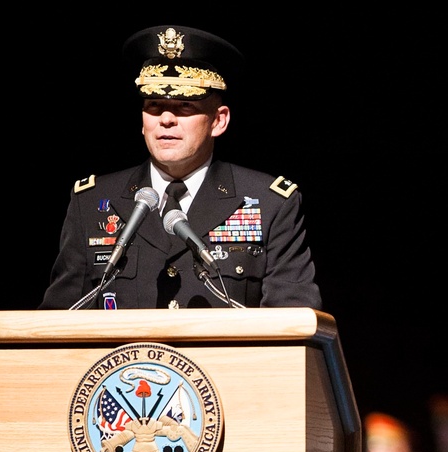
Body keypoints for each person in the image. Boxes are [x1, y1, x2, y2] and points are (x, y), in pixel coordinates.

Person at [39, 25, 321, 310]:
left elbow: (295, 322)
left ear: (218, 121)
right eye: (154, 105)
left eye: (185, 105)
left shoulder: (270, 204)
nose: (166, 119)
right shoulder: (91, 202)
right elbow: (56, 322)